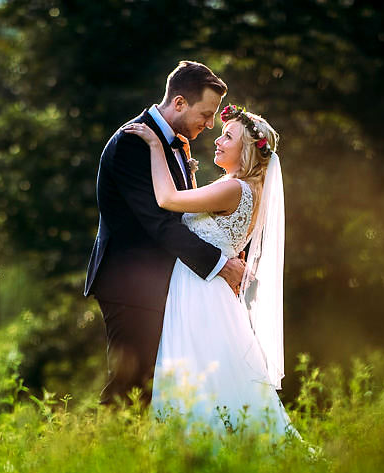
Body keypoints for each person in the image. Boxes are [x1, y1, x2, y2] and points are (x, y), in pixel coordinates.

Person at [121, 103, 296, 438]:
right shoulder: (246, 190)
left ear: (245, 151)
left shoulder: (233, 189)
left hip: (199, 291)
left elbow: (168, 200)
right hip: (207, 290)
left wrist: (156, 146)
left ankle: (202, 448)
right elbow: (205, 220)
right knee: (214, 376)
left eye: (228, 137)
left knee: (196, 371)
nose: (218, 140)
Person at [83, 61, 247, 406]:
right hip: (129, 284)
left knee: (155, 386)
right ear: (180, 103)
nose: (208, 123)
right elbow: (158, 223)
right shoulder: (133, 142)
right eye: (205, 113)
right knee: (130, 385)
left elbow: (186, 215)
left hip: (161, 283)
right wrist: (219, 263)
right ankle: (108, 456)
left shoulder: (173, 144)